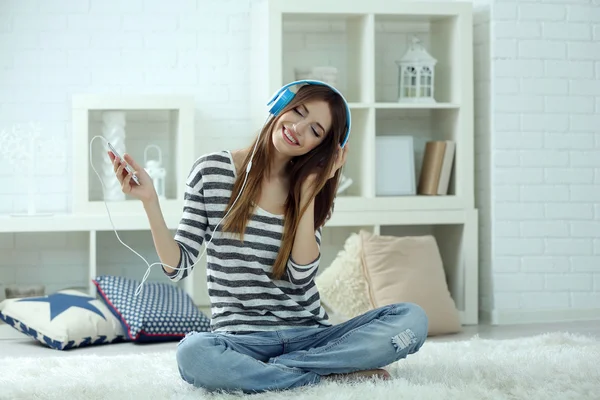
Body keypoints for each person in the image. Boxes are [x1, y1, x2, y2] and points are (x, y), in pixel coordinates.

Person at [107, 81, 428, 394]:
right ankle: (323, 376)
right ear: (280, 105)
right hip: (242, 340)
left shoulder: (308, 188)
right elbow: (177, 267)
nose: (299, 128)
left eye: (316, 130)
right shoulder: (211, 171)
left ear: (322, 148)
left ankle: (281, 371)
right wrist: (150, 201)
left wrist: (306, 196)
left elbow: (301, 278)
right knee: (192, 353)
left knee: (412, 320)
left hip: (311, 335)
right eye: (298, 112)